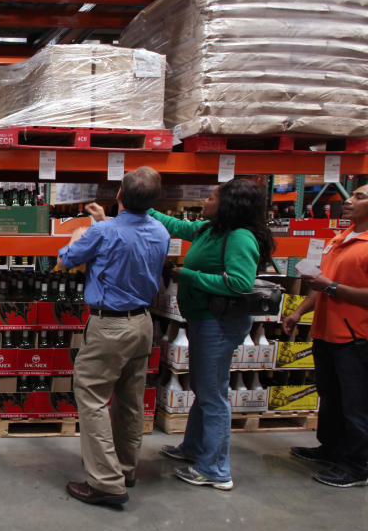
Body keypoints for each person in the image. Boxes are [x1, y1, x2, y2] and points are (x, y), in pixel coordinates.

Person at [149, 178, 274, 491]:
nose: (206, 200)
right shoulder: (210, 229)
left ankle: (216, 469)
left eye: (213, 197)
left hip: (219, 324)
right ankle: (192, 448)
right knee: (204, 388)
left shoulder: (240, 237)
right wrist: (141, 207)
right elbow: (177, 226)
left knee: (213, 394)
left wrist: (186, 274)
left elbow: (239, 283)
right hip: (204, 320)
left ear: (229, 204)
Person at [58, 166, 170, 506]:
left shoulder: (103, 232)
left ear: (119, 194)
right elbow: (128, 245)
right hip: (142, 324)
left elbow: (66, 259)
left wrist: (78, 236)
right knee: (130, 400)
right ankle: (125, 467)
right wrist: (103, 221)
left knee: (91, 397)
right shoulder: (161, 231)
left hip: (110, 327)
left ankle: (106, 483)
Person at [284, 184, 368, 487]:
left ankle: (357, 465)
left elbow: (331, 286)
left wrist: (331, 288)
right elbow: (323, 284)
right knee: (330, 397)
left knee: (356, 404)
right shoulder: (341, 239)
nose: (348, 200)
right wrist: (299, 312)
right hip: (325, 333)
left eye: (359, 196)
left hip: (355, 338)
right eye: (352, 194)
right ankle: (331, 449)